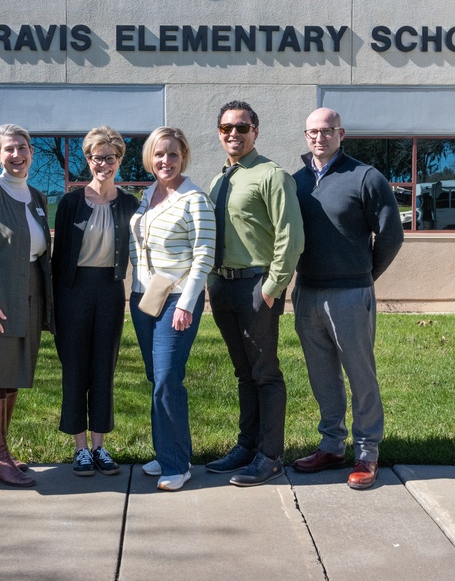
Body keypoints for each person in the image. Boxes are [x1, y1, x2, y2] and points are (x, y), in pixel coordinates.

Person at [290, 107, 404, 490]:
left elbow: (391, 235)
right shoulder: (297, 182)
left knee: (360, 374)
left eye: (327, 131)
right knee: (322, 375)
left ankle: (368, 452)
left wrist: (365, 275)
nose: (319, 138)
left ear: (342, 134)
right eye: (312, 132)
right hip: (307, 291)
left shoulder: (366, 177)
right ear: (305, 136)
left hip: (351, 294)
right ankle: (331, 445)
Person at [205, 100, 304, 487]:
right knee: (243, 372)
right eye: (227, 127)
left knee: (265, 373)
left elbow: (290, 236)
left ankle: (270, 455)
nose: (234, 134)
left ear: (255, 131)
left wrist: (272, 288)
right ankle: (245, 447)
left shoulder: (271, 175)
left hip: (256, 286)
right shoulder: (218, 180)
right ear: (219, 133)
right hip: (223, 285)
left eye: (242, 127)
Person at [0, 123, 54, 488]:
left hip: (30, 294)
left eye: (23, 147)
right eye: (9, 149)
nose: (17, 155)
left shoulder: (37, 197)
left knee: (14, 374)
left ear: (31, 151)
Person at [130, 127, 215, 491]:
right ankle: (168, 452)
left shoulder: (195, 199)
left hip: (176, 302)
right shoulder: (148, 195)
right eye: (159, 154)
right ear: (150, 157)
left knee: (167, 380)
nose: (166, 161)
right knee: (156, 380)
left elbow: (204, 255)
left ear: (184, 157)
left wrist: (187, 302)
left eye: (173, 154)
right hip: (142, 299)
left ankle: (177, 465)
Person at [52, 126, 140, 477]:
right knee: (75, 368)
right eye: (95, 157)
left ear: (119, 160)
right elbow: (59, 260)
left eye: (110, 157)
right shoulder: (70, 202)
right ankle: (79, 449)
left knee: (104, 366)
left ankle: (100, 446)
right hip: (73, 291)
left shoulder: (130, 203)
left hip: (110, 289)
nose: (103, 163)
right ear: (87, 160)